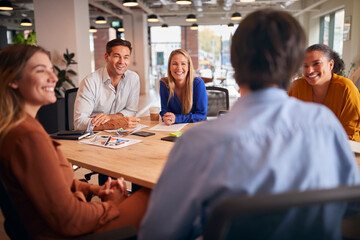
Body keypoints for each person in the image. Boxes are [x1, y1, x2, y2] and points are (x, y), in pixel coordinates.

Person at [139, 9, 360, 239]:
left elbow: (159, 233)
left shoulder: (198, 143)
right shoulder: (326, 125)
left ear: (235, 63)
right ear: (296, 64)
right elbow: (352, 205)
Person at [0, 44, 150, 240]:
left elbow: (52, 184)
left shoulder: (23, 126)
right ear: (13, 80)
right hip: (68, 233)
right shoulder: (27, 137)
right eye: (40, 71)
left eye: (51, 70)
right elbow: (69, 219)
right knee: (154, 195)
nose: (54, 79)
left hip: (63, 219)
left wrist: (94, 189)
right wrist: (110, 206)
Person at [288, 44, 360, 141]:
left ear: (330, 65)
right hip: (304, 146)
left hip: (345, 148)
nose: (310, 70)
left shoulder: (346, 88)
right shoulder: (297, 86)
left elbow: (349, 133)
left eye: (316, 63)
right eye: (305, 66)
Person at [74, 38, 140, 131]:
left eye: (126, 57)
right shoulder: (90, 82)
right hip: (93, 137)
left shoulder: (133, 78)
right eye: (117, 56)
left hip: (121, 135)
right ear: (106, 57)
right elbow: (79, 123)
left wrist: (110, 117)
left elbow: (131, 111)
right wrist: (114, 124)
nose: (121, 62)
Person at [159, 49, 207, 125]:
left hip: (193, 128)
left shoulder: (198, 84)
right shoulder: (164, 84)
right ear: (169, 67)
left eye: (183, 64)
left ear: (188, 67)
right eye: (175, 64)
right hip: (172, 129)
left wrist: (177, 118)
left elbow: (201, 115)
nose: (179, 68)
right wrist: (166, 117)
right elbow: (165, 110)